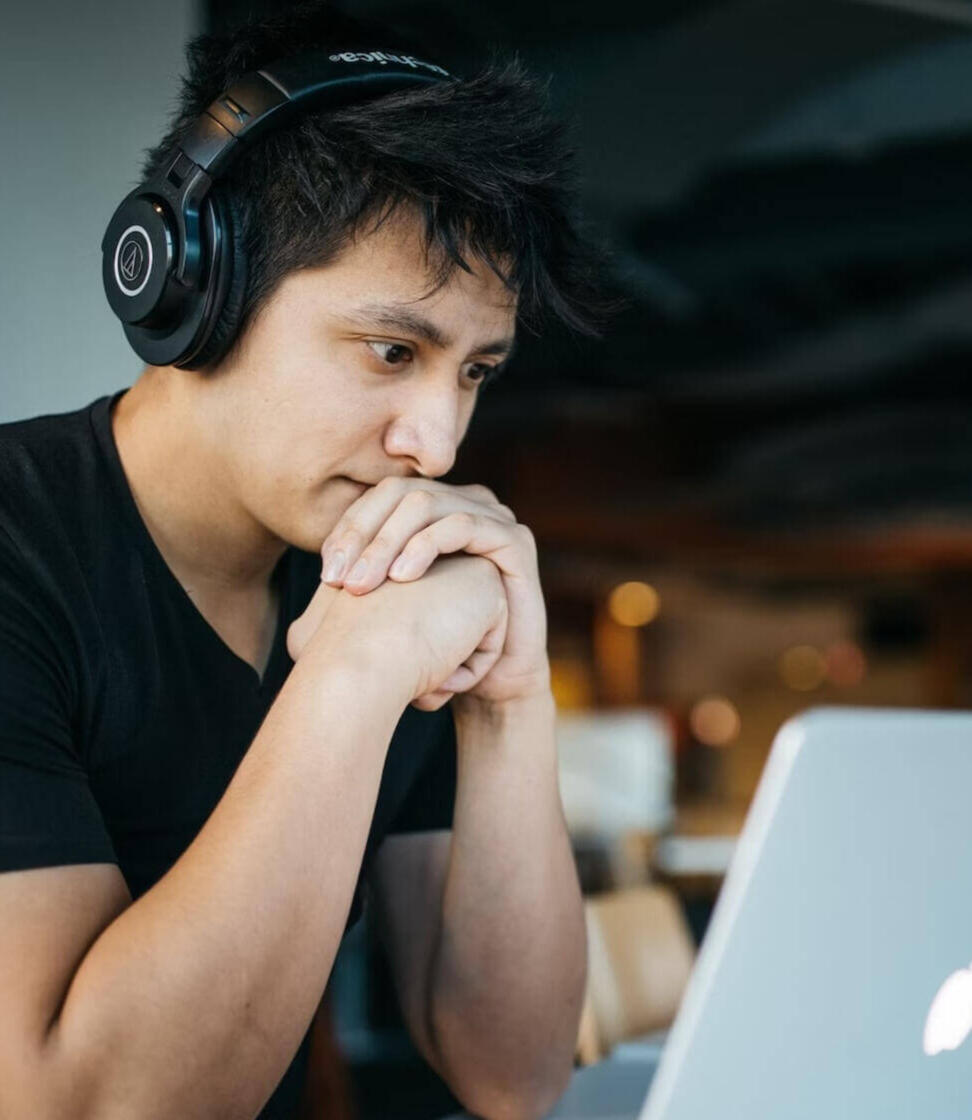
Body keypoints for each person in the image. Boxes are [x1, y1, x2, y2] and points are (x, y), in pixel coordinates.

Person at [0, 4, 610, 1117]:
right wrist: (352, 676)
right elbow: (76, 1104)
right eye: (392, 350)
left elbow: (513, 1072)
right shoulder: (18, 551)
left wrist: (508, 702)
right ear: (195, 292)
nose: (436, 442)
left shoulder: (391, 570)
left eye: (475, 371)